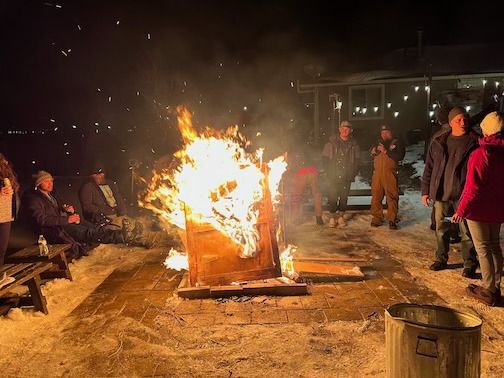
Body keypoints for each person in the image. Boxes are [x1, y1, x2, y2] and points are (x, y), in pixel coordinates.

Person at [22, 171, 145, 257]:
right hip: (52, 229)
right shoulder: (33, 198)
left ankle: (125, 235)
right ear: (38, 184)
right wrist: (67, 220)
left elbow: (54, 208)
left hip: (62, 222)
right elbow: (41, 219)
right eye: (46, 181)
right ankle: (122, 236)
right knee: (88, 233)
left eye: (51, 181)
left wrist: (66, 209)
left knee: (92, 228)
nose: (50, 184)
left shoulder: (50, 195)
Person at [453, 112, 504, 306]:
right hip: (498, 209)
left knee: (483, 248)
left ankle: (489, 289)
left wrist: (461, 211)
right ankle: (495, 285)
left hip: (479, 210)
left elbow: (472, 187)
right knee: (494, 246)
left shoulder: (482, 154)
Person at [421, 106, 478, 277]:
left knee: (467, 232)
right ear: (451, 122)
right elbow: (429, 167)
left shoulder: (475, 142)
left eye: (465, 119)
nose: (463, 122)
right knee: (441, 229)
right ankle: (441, 259)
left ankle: (469, 264)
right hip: (441, 194)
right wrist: (426, 190)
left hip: (463, 195)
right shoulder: (439, 142)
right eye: (458, 120)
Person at [321, 121, 360, 227]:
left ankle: (341, 217)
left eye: (347, 128)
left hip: (346, 176)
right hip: (333, 175)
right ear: (339, 129)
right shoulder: (330, 144)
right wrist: (328, 173)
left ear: (350, 130)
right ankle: (333, 218)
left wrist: (353, 173)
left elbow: (357, 161)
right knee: (332, 197)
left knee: (344, 197)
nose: (345, 130)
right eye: (343, 128)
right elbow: (324, 160)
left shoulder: (354, 145)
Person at [370, 125, 405, 229]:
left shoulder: (396, 143)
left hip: (390, 173)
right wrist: (376, 149)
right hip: (377, 174)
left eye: (387, 132)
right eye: (382, 132)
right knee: (376, 196)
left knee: (392, 197)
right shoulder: (377, 143)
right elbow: (371, 152)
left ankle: (392, 219)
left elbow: (400, 156)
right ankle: (377, 218)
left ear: (391, 133)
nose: (384, 134)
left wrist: (386, 151)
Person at [79, 164, 127, 228]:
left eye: (101, 173)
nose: (100, 176)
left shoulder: (111, 184)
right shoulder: (88, 187)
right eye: (96, 174)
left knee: (134, 227)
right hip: (104, 217)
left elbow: (118, 198)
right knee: (117, 230)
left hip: (118, 214)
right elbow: (87, 206)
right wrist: (103, 212)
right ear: (91, 176)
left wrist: (123, 211)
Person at [0, 154, 19, 288]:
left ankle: (0, 276)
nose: (6, 162)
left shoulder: (6, 177)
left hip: (5, 215)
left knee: (1, 249)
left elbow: (14, 190)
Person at [289, 149, 323, 225]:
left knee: (297, 195)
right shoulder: (312, 142)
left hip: (301, 171)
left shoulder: (296, 146)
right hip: (313, 170)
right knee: (317, 193)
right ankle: (319, 218)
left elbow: (292, 163)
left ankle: (297, 218)